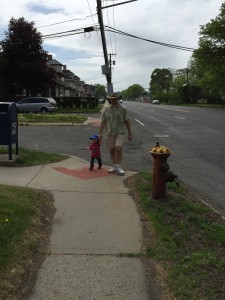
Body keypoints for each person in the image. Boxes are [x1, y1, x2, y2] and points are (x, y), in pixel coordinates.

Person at [99, 93, 132, 175]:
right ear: (109, 99)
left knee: (118, 148)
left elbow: (127, 121)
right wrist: (100, 133)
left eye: (115, 99)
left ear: (117, 99)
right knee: (111, 149)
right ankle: (114, 165)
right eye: (111, 99)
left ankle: (118, 165)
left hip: (119, 132)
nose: (113, 100)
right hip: (109, 132)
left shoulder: (123, 109)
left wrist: (130, 133)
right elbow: (103, 121)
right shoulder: (106, 109)